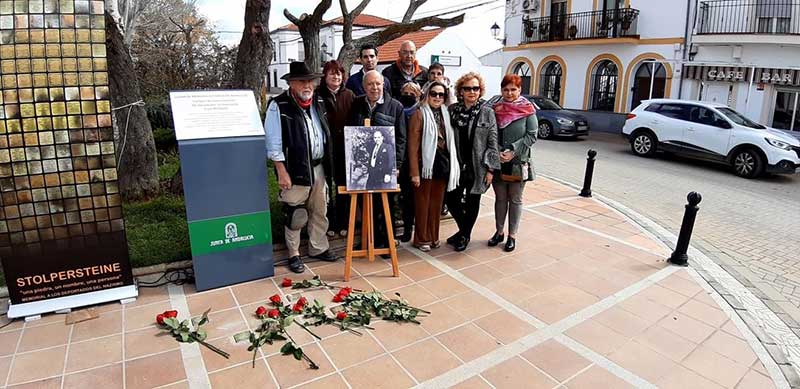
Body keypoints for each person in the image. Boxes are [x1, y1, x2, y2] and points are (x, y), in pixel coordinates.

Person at [265, 61, 339, 273]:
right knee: (295, 214)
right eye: (301, 82)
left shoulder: (318, 102)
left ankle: (317, 247)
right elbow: (273, 142)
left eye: (310, 81)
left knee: (319, 210)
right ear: (291, 84)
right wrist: (281, 170)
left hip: (318, 166)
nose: (307, 86)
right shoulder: (278, 105)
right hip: (294, 169)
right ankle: (294, 254)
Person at [347, 70, 406, 252]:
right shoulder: (356, 104)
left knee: (385, 204)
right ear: (364, 87)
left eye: (378, 84)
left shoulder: (395, 107)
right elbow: (351, 134)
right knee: (365, 205)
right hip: (363, 166)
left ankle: (387, 242)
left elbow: (401, 139)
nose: (374, 87)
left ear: (384, 85)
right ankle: (367, 240)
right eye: (370, 84)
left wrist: (397, 164)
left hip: (385, 166)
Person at [445, 72, 500, 252]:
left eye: (475, 88)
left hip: (478, 166)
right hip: (457, 165)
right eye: (467, 88)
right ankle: (464, 231)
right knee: (451, 199)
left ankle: (464, 236)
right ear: (461, 91)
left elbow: (493, 142)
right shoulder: (453, 110)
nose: (471, 92)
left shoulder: (487, 113)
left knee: (472, 201)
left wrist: (491, 169)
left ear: (480, 90)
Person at [407, 81, 460, 252]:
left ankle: (434, 237)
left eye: (441, 94)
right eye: (434, 94)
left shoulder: (446, 114)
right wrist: (414, 172)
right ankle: (422, 239)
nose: (437, 97)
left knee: (436, 205)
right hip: (424, 167)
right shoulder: (419, 114)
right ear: (427, 95)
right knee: (423, 204)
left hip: (442, 165)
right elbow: (413, 146)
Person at [489, 74, 538, 253]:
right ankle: (499, 231)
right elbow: (491, 132)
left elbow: (532, 135)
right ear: (501, 90)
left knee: (515, 199)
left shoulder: (528, 109)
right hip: (499, 160)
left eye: (513, 89)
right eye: (506, 89)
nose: (509, 93)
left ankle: (512, 236)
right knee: (500, 198)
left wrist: (513, 150)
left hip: (518, 161)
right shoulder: (495, 108)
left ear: (519, 90)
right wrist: (498, 150)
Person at [317, 60, 355, 237]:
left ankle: (343, 222)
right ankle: (329, 224)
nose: (336, 76)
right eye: (332, 73)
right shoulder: (318, 96)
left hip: (345, 149)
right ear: (325, 76)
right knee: (326, 189)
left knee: (343, 187)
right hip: (325, 149)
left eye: (339, 73)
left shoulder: (349, 95)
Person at [397, 82, 422, 242]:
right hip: (399, 160)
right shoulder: (397, 110)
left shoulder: (420, 112)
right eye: (405, 92)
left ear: (418, 95)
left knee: (410, 199)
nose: (408, 96)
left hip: (414, 161)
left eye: (412, 93)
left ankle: (408, 229)